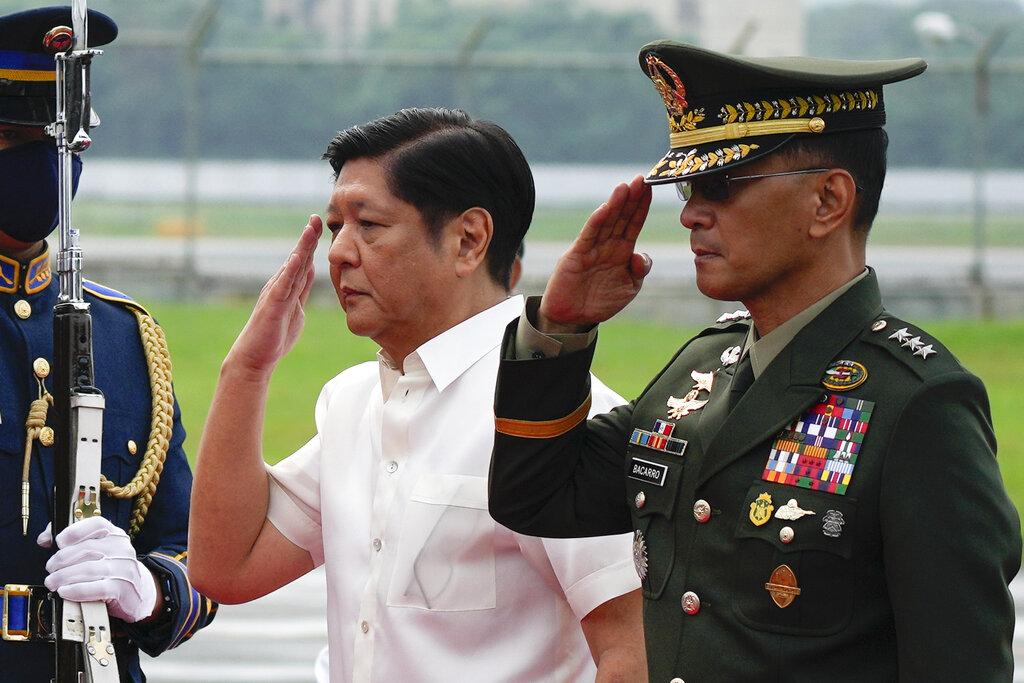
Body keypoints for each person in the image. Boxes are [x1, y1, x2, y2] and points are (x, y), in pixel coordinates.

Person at [487, 40, 1022, 682]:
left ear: (828, 201)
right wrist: (560, 330)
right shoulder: (705, 367)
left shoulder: (917, 401)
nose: (689, 213)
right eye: (688, 185)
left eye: (720, 184)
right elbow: (536, 497)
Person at [188, 107, 646, 682]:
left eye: (369, 225)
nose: (339, 253)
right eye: (336, 227)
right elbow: (226, 569)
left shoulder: (561, 416)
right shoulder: (354, 403)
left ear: (468, 240)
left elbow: (633, 655)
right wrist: (247, 370)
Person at [0, 6, 217, 682]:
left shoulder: (123, 336)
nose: (46, 166)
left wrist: (147, 588)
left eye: (61, 145)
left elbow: (197, 552)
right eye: (15, 138)